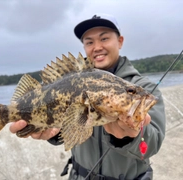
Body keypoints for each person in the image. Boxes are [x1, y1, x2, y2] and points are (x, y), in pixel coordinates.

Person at [10, 14, 166, 180]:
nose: (97, 47)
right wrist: (53, 132)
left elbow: (154, 142)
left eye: (104, 38)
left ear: (120, 41)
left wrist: (131, 137)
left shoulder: (145, 87)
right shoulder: (74, 79)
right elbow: (67, 123)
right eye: (89, 42)